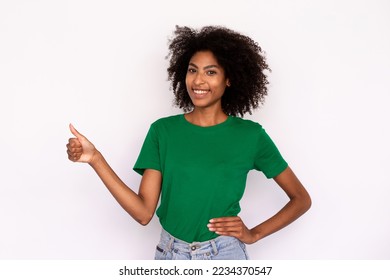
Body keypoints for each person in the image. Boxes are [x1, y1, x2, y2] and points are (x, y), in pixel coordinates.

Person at [66, 25, 311, 260]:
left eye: (211, 72)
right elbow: (143, 213)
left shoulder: (251, 136)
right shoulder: (163, 131)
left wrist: (254, 234)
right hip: (170, 254)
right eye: (193, 70)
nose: (198, 81)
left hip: (224, 256)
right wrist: (95, 159)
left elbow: (301, 199)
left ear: (229, 79)